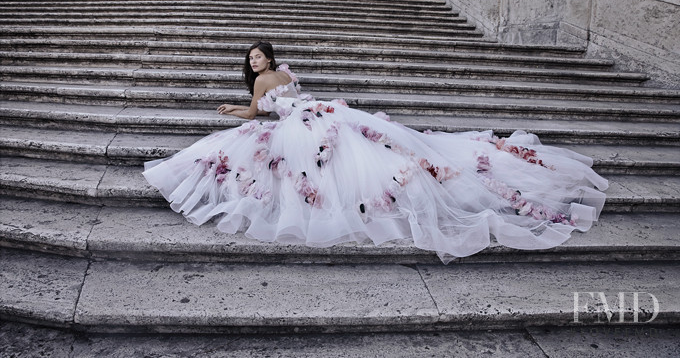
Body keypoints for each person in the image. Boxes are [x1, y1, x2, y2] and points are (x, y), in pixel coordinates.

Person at [143, 41, 608, 263]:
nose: (254, 63)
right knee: (370, 153)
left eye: (258, 57)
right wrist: (246, 106)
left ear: (268, 58)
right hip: (316, 112)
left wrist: (237, 110)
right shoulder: (286, 75)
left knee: (275, 162)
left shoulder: (267, 82)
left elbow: (258, 113)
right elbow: (278, 104)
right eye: (250, 60)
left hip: (300, 123)